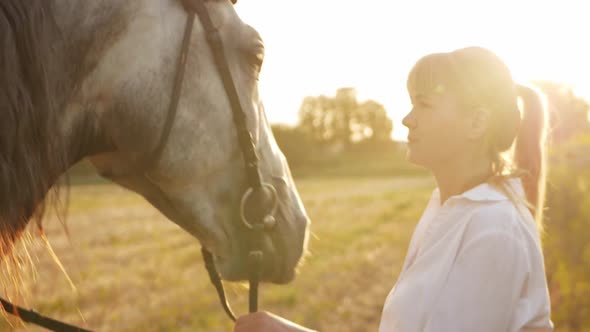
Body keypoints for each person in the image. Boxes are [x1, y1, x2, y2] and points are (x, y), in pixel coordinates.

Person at [233, 46, 554, 332]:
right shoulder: (448, 209)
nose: (406, 119)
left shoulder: (495, 230)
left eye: (423, 105)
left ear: (476, 123)